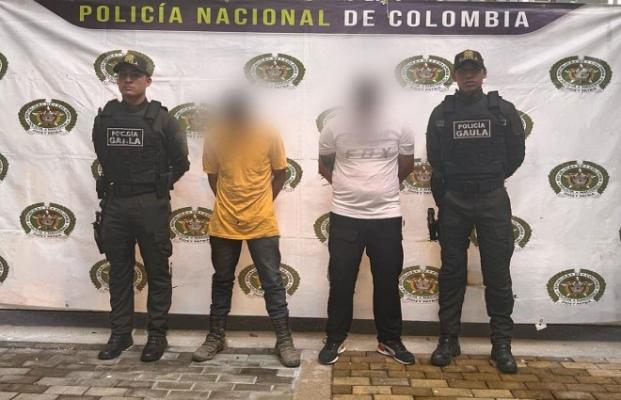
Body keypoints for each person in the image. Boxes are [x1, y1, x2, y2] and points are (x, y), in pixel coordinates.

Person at [425, 50, 526, 373]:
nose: (468, 76)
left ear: (483, 74)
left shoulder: (502, 111)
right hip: (455, 199)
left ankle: (501, 345)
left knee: (497, 272)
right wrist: (454, 191)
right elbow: (435, 159)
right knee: (452, 271)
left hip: (492, 197)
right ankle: (448, 340)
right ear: (454, 76)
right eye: (463, 71)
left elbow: (516, 154)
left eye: (474, 70)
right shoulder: (442, 113)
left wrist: (489, 179)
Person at [92, 51, 190, 362]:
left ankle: (156, 335)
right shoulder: (106, 117)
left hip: (150, 204)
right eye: (122, 76)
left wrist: (157, 184)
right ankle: (120, 334)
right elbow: (103, 154)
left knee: (157, 270)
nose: (127, 81)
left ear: (148, 80)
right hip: (116, 202)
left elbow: (181, 162)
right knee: (119, 271)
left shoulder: (163, 119)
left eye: (134, 76)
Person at [192, 90, 300, 368]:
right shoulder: (215, 135)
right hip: (224, 221)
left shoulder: (268, 133)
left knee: (272, 281)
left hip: (261, 221)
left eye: (240, 112)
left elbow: (281, 172)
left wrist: (263, 202)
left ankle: (284, 340)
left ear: (249, 111)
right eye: (232, 113)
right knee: (222, 280)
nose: (236, 118)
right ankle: (216, 337)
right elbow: (213, 176)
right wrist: (228, 202)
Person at [317, 77, 416, 365]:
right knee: (341, 279)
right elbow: (324, 165)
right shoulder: (334, 126)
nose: (366, 101)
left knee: (387, 280)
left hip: (386, 216)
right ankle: (335, 338)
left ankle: (389, 340)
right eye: (361, 96)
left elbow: (406, 166)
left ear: (378, 97)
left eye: (370, 96)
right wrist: (348, 187)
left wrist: (382, 188)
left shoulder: (399, 125)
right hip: (345, 215)